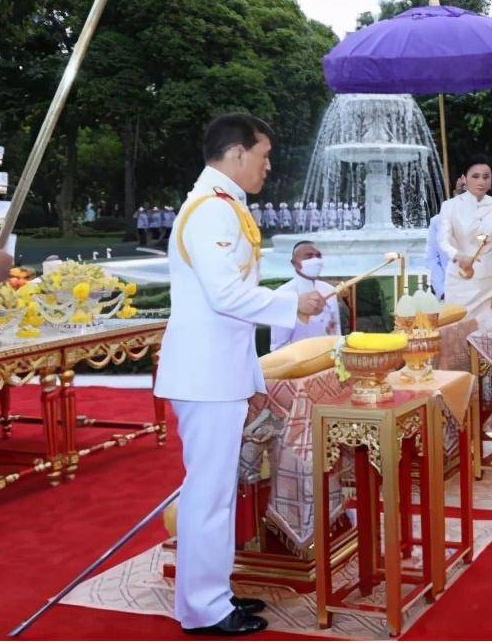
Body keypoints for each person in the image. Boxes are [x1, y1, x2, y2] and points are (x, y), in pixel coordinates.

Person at [155, 114, 324, 636]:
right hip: (203, 377)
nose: (268, 165)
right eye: (263, 154)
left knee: (218, 493)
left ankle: (213, 594)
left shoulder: (224, 207)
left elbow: (229, 316)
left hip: (219, 373)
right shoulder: (210, 212)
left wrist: (250, 379)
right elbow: (225, 296)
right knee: (207, 494)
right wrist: (292, 302)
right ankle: (204, 609)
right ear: (235, 154)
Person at [438, 155, 492, 330]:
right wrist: (458, 256)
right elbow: (442, 241)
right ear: (464, 179)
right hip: (459, 279)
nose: (481, 181)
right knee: (457, 332)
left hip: (488, 282)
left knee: (488, 332)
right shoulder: (450, 206)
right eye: (475, 176)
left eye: (486, 177)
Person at [269, 242, 340, 350]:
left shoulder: (329, 290)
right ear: (294, 263)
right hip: (296, 362)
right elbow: (278, 345)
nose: (315, 260)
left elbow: (336, 332)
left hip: (328, 358)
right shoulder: (281, 295)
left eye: (318, 256)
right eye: (309, 256)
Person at [426, 177, 465, 300]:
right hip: (448, 293)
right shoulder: (438, 222)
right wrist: (441, 290)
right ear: (454, 193)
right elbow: (431, 259)